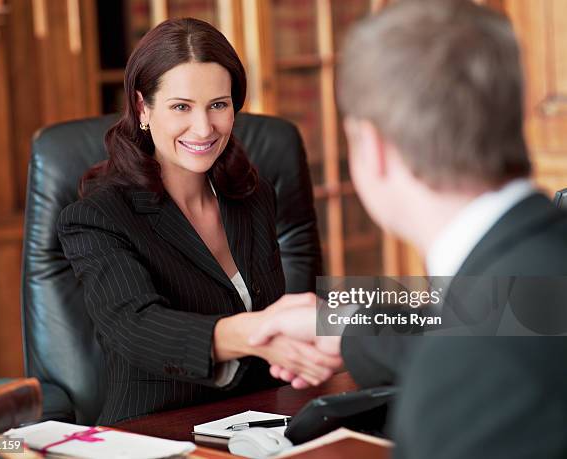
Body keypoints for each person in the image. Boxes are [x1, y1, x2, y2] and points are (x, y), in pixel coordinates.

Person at [249, 1, 567, 457]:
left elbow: (474, 339)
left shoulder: (465, 374)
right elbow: (488, 316)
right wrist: (344, 324)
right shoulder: (540, 265)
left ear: (373, 147)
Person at [57, 18, 341, 425]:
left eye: (218, 105)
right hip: (156, 433)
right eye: (181, 107)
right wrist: (257, 332)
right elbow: (137, 327)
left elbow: (297, 314)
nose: (204, 127)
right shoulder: (98, 217)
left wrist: (424, 313)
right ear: (142, 108)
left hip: (261, 424)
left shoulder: (252, 196)